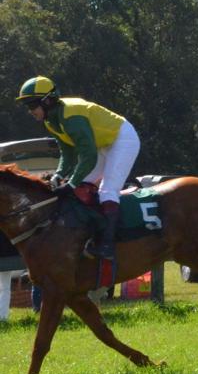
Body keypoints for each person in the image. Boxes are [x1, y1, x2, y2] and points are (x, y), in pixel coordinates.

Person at [15, 75, 140, 260]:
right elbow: (68, 154)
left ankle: (108, 244)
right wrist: (60, 174)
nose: (30, 111)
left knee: (107, 191)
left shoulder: (71, 116)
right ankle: (88, 234)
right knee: (81, 186)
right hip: (103, 144)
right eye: (27, 106)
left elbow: (87, 156)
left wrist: (71, 183)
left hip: (122, 139)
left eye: (32, 105)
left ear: (47, 101)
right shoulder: (51, 121)